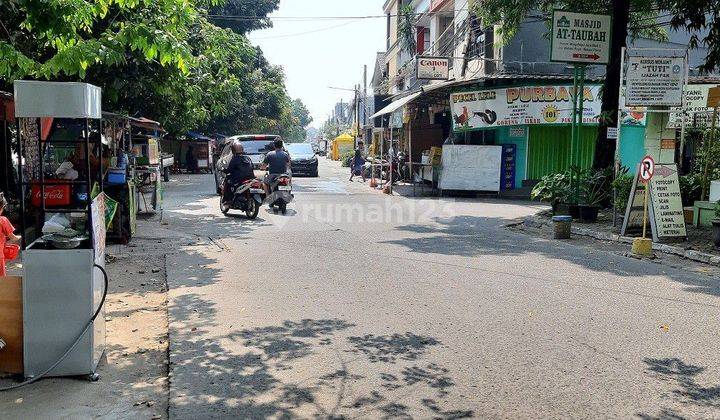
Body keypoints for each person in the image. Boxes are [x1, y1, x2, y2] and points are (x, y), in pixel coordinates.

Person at [0, 193, 21, 277]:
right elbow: (13, 238)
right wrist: (20, 236)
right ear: (1, 207)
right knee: (2, 283)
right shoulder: (2, 220)